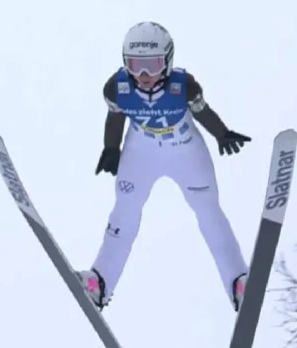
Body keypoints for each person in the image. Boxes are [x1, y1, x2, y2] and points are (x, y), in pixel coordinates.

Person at [76, 21, 253, 313]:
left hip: (185, 150)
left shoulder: (183, 86)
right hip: (141, 151)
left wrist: (221, 133)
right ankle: (100, 282)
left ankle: (238, 280)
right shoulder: (116, 87)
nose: (144, 75)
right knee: (125, 209)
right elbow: (116, 118)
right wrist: (111, 148)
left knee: (208, 209)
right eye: (135, 65)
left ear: (168, 61)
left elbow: (202, 112)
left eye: (153, 65)